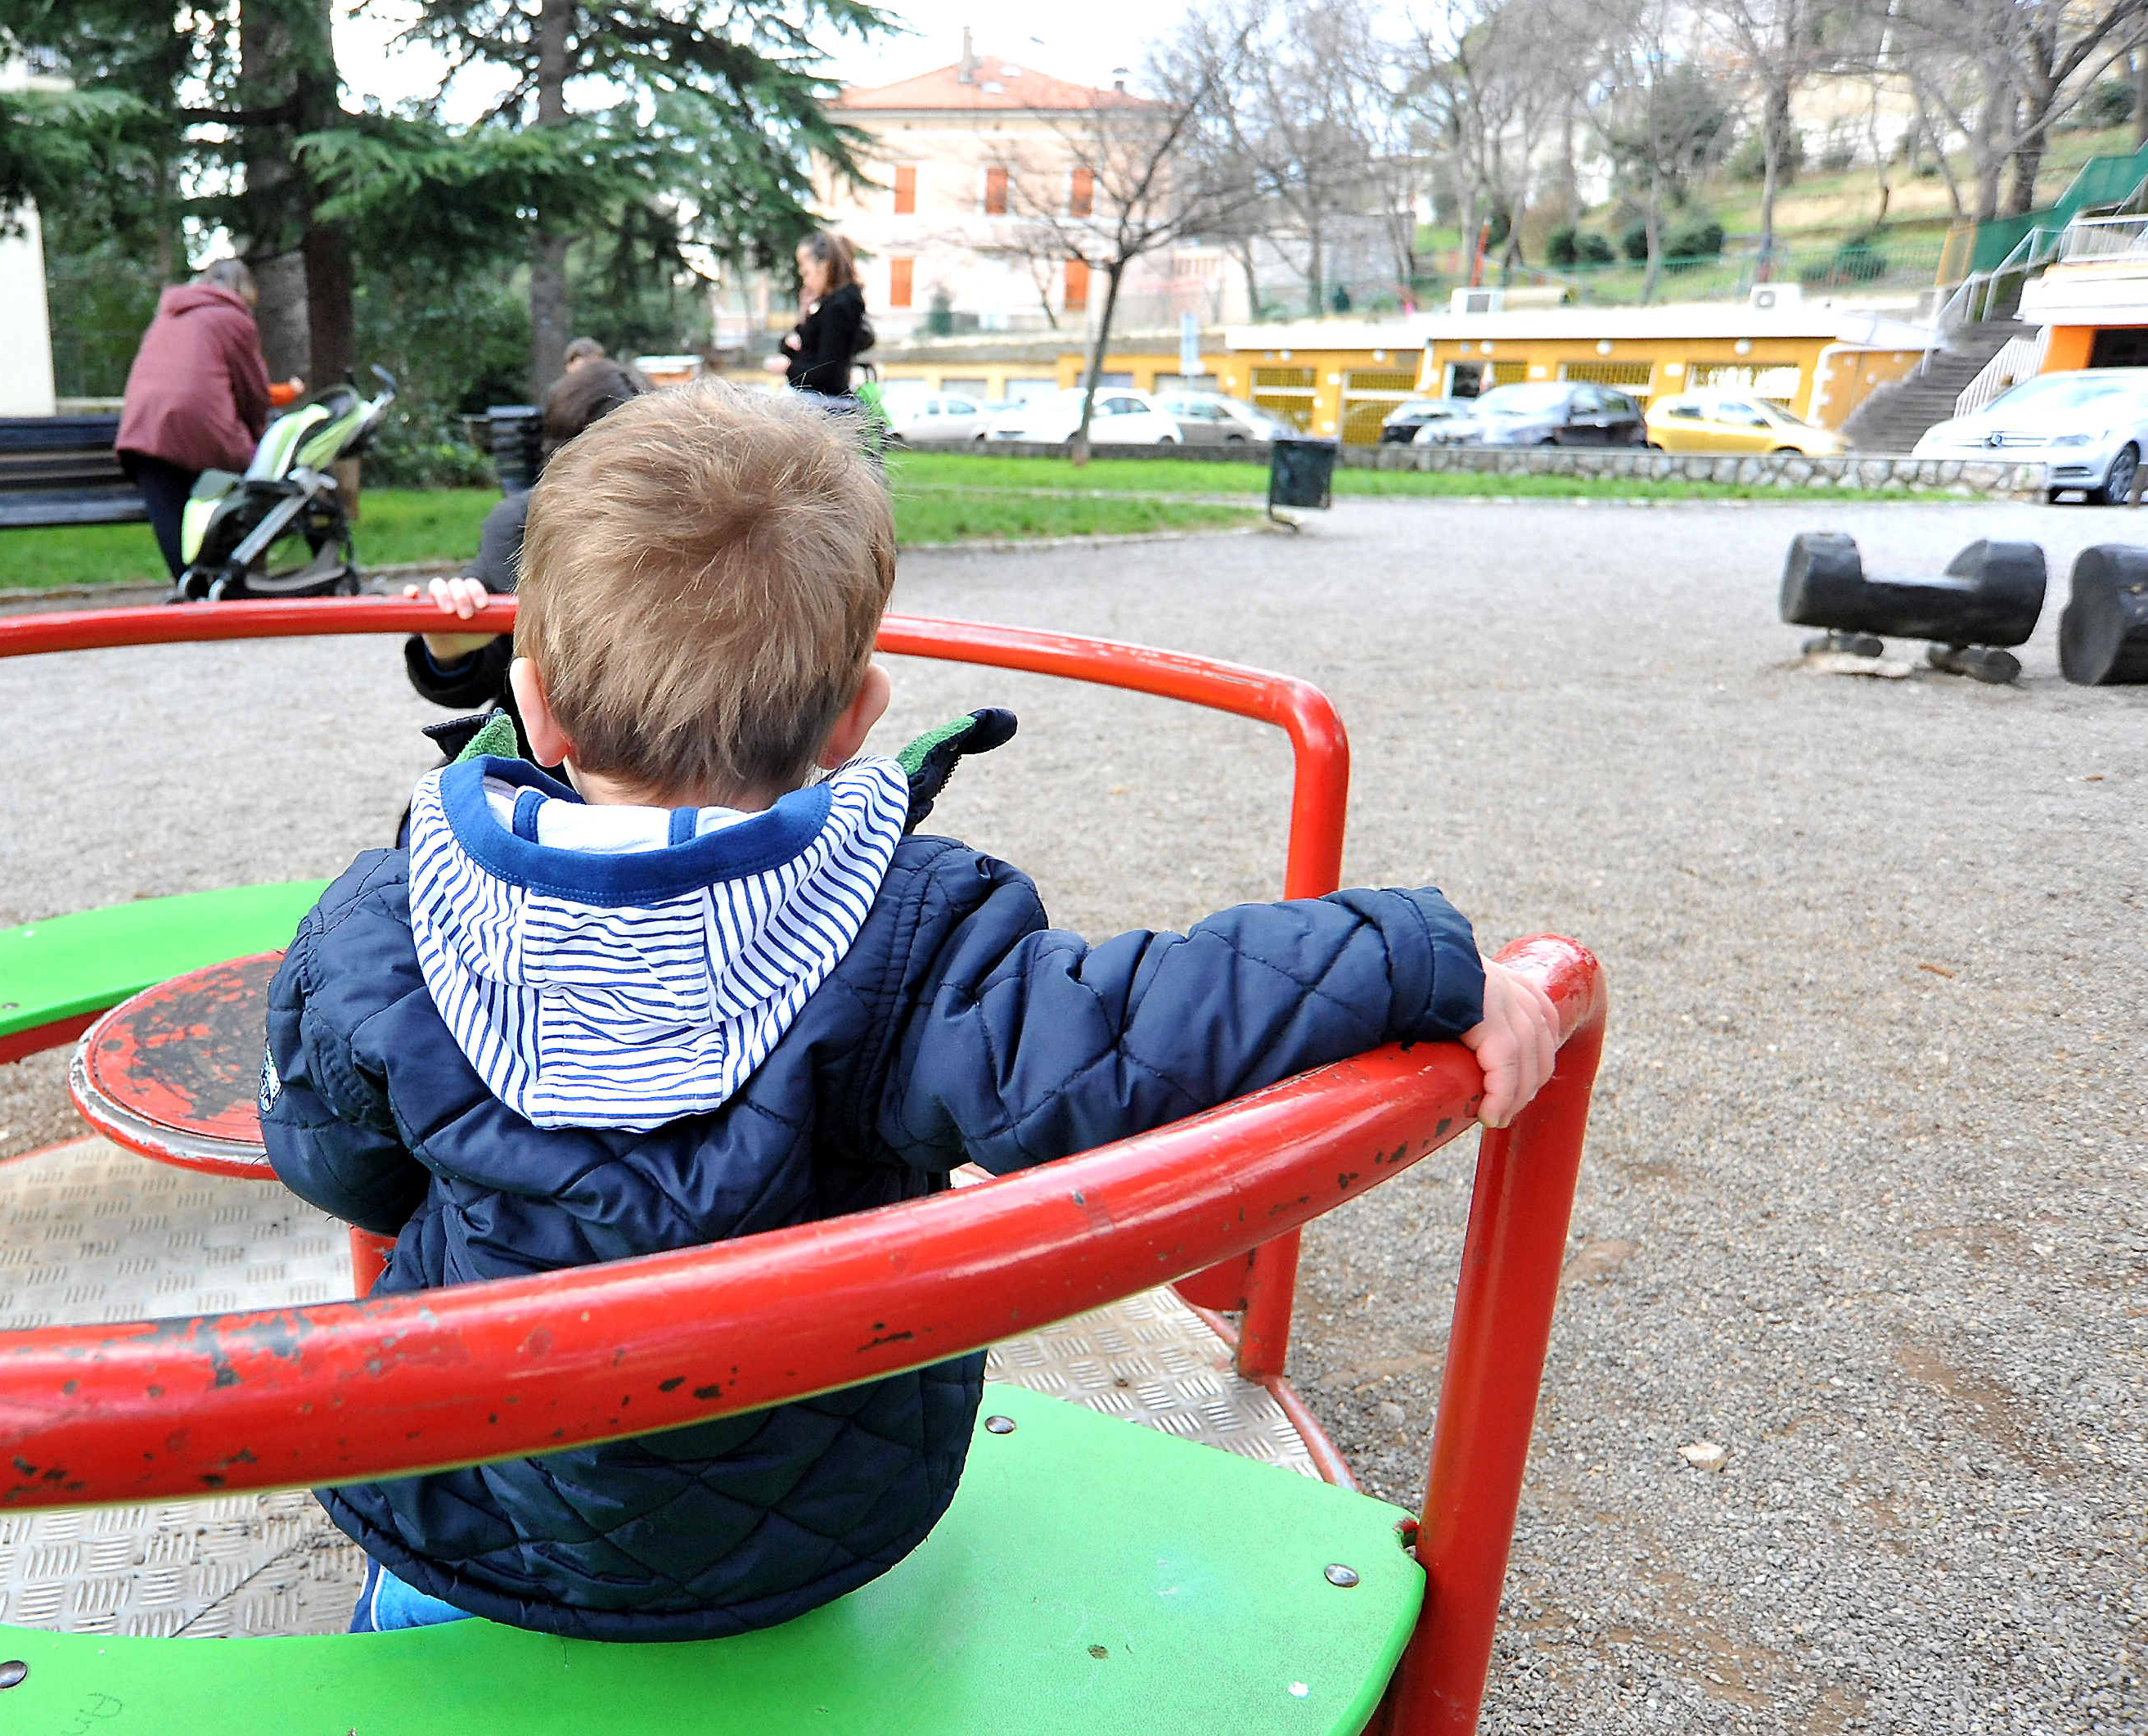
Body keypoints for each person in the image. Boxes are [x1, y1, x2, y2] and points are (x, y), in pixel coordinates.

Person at [259, 380, 1561, 1642]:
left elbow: (336, 1162)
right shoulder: (909, 930)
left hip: (472, 1503)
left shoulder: (387, 921)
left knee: (409, 1606)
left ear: (529, 700)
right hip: (810, 1520)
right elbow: (1137, 1025)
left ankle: (401, 1637)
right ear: (857, 716)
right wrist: (1419, 955)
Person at [397, 357, 642, 753]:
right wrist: (447, 652)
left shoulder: (689, 531)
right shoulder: (520, 527)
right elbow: (486, 672)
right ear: (559, 458)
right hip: (548, 756)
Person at [114, 259, 290, 578]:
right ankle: (231, 584)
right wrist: (257, 437)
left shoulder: (167, 314)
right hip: (201, 427)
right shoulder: (234, 319)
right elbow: (252, 391)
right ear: (245, 290)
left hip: (143, 429)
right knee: (245, 492)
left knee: (171, 513)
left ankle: (189, 589)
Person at [773, 231, 871, 402]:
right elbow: (800, 348)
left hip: (825, 403)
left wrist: (788, 368)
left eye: (806, 273)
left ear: (823, 267)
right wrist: (803, 314)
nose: (805, 281)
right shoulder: (827, 305)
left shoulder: (839, 307)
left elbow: (827, 371)